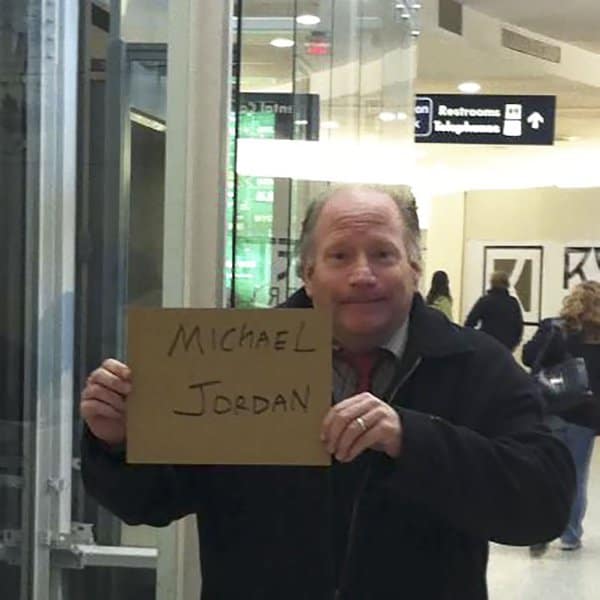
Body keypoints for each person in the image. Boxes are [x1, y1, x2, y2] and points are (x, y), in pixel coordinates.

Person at [80, 184, 574, 600]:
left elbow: (541, 505)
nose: (364, 274)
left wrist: (412, 439)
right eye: (340, 256)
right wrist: (119, 442)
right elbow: (152, 501)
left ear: (415, 268)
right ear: (308, 274)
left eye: (384, 254)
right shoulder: (237, 361)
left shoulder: (476, 365)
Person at [523, 280, 600, 555]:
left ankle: (541, 527)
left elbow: (529, 356)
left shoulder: (555, 327)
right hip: (587, 415)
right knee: (577, 475)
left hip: (552, 407)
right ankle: (570, 535)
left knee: (545, 469)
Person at [465, 270, 524, 351]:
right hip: (507, 346)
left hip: (487, 344)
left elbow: (469, 323)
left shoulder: (485, 301)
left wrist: (476, 340)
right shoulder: (513, 302)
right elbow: (519, 327)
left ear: (492, 283)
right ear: (507, 284)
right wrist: (514, 343)